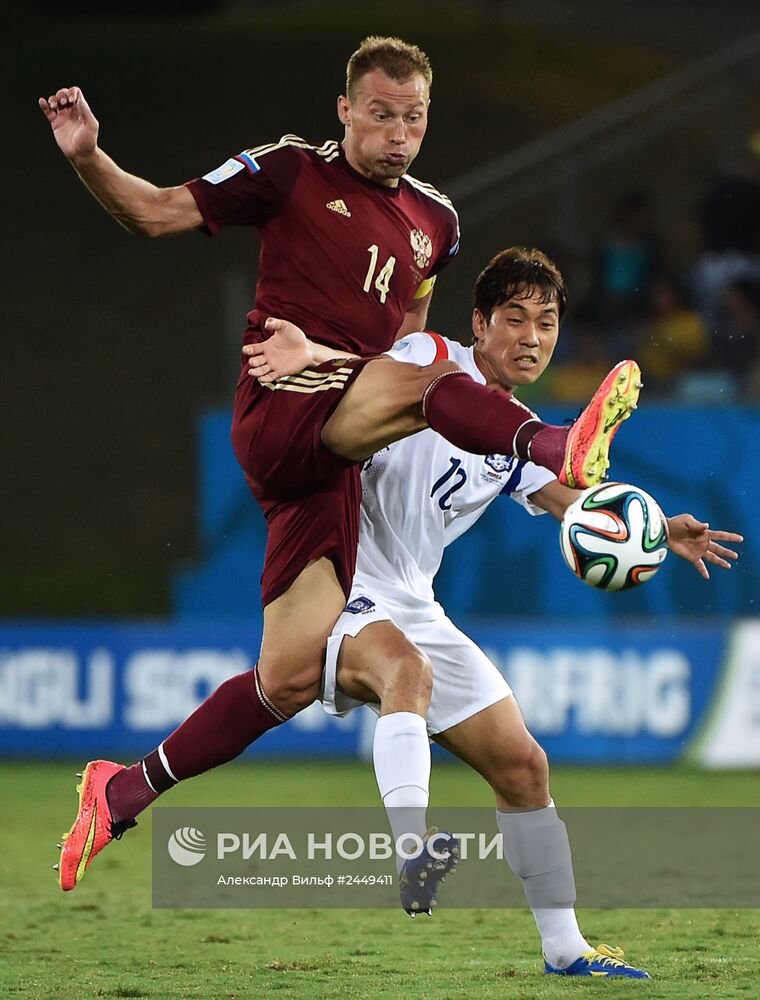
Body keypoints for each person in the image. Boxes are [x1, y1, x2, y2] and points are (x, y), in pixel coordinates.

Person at [42, 39, 640, 892]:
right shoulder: (288, 171)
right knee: (439, 374)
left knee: (283, 680)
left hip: (333, 466)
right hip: (283, 404)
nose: (399, 134)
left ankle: (122, 789)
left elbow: (395, 340)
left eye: (415, 118)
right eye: (383, 114)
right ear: (346, 110)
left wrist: (354, 366)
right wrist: (89, 156)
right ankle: (552, 437)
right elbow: (154, 212)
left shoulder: (436, 222)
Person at [292, 248, 739, 978]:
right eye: (515, 319)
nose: (532, 337)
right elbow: (375, 354)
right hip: (335, 579)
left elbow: (573, 502)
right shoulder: (427, 357)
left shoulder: (514, 430)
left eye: (548, 323)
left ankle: (566, 951)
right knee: (408, 676)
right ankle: (412, 852)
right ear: (479, 324)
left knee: (524, 767)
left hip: (412, 601)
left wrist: (654, 525)